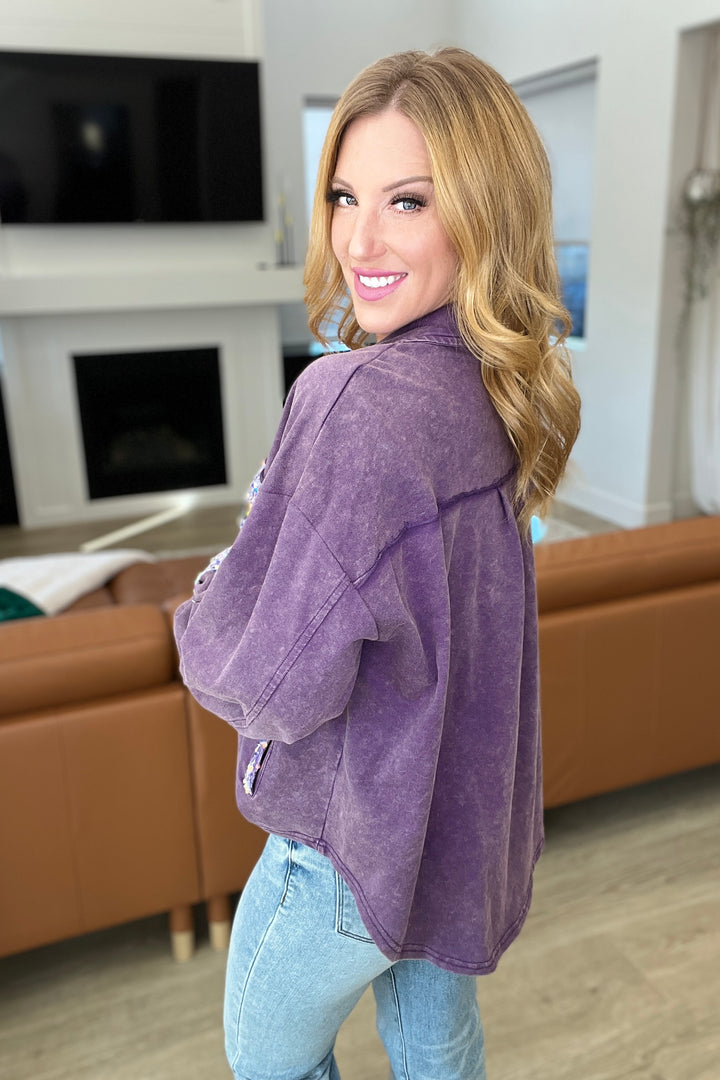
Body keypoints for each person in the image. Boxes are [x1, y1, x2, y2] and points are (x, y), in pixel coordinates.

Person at [174, 46, 581, 1080]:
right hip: (455, 832)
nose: (359, 239)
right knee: (439, 1052)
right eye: (344, 196)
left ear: (484, 214)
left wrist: (209, 598)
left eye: (407, 201)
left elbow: (271, 681)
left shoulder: (351, 403)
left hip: (345, 851)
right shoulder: (500, 389)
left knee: (269, 1062)